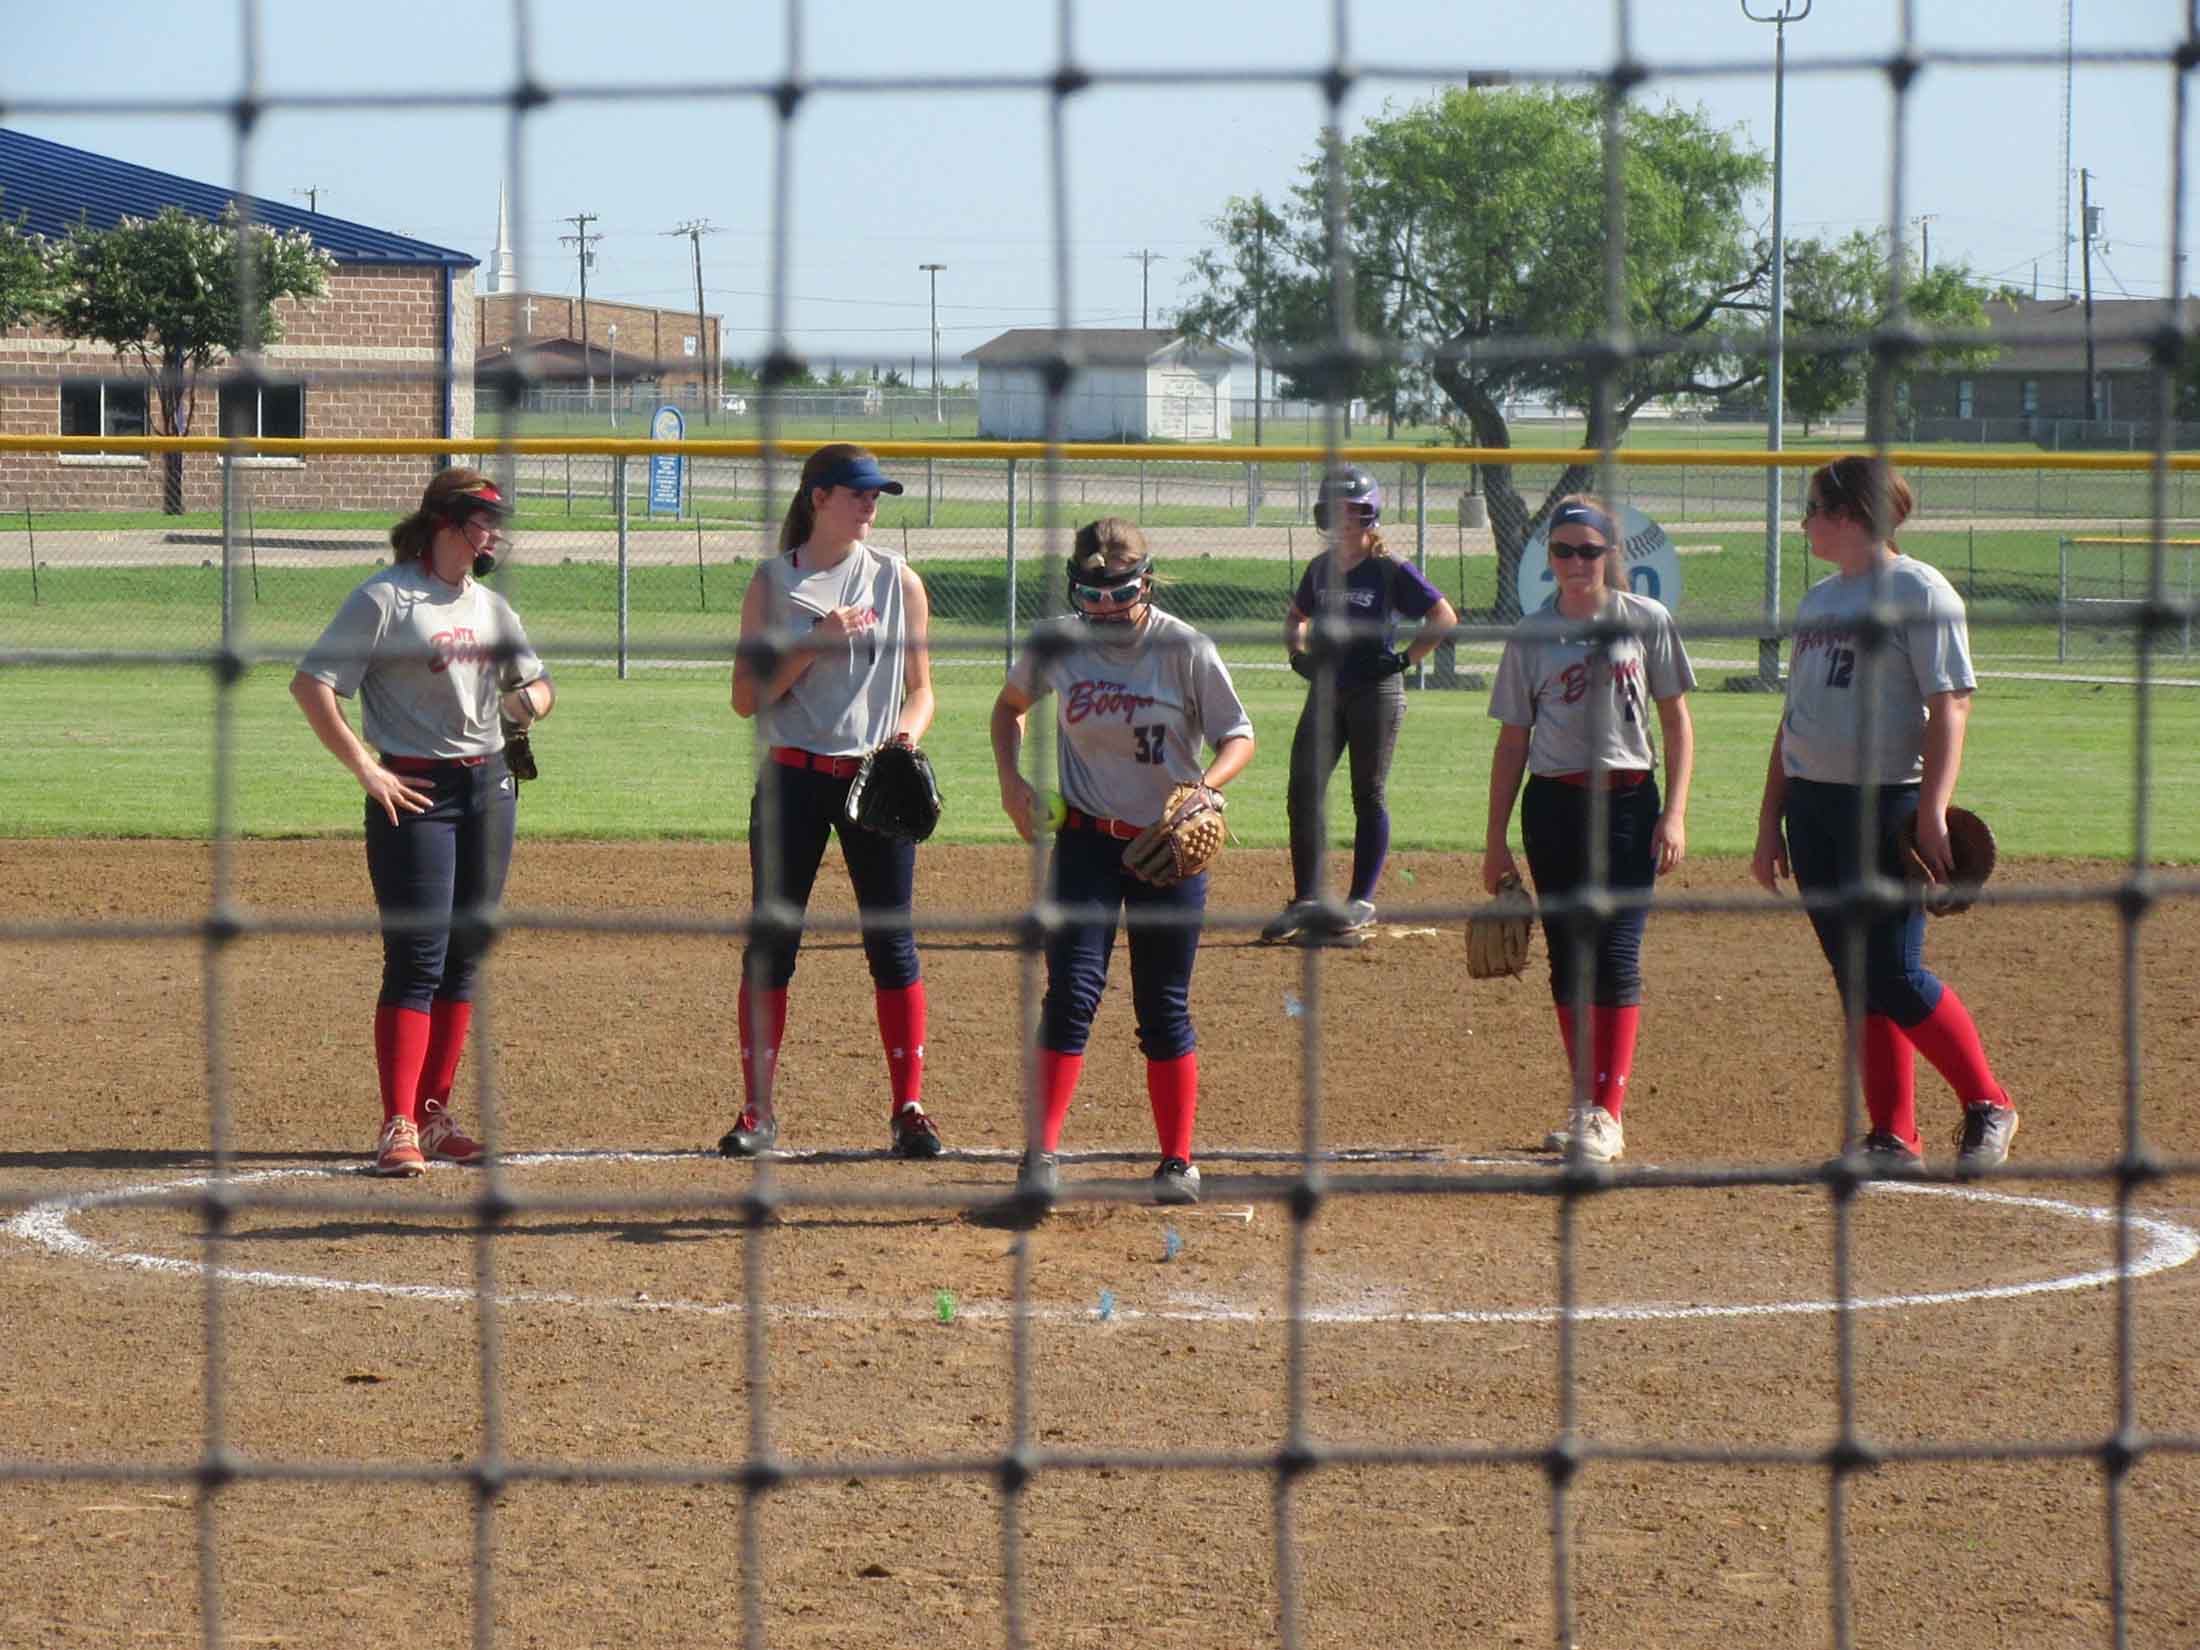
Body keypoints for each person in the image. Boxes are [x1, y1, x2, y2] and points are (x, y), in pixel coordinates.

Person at [1751, 456, 2019, 1172]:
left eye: (1812, 508)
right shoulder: (1819, 601)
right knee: (1855, 974)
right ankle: (1893, 1136)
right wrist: (1769, 818)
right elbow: (1794, 718)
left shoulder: (1918, 590)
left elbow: (1950, 703)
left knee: (1894, 973)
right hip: (1814, 806)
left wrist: (1932, 809)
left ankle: (1989, 1101)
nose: (1804, 522)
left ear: (1848, 516)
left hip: (1887, 803)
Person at [290, 468, 553, 1178]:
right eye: (484, 519)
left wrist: (527, 703)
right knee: (417, 959)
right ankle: (397, 1122)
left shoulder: (493, 608)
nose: (495, 533)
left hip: (490, 789)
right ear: (448, 522)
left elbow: (539, 685)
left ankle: (436, 1116)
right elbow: (311, 684)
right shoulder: (387, 597)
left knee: (464, 954)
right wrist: (366, 770)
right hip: (415, 792)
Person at [990, 517, 1255, 1205]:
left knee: (1163, 1005)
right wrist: (1011, 780)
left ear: (1147, 581)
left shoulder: (1183, 648)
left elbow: (1238, 735)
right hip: (1085, 842)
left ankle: (1177, 1161)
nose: (1105, 609)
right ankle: (1040, 1156)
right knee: (1072, 992)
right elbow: (1009, 708)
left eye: (1119, 593)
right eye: (1092, 595)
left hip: (1168, 848)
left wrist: (1206, 787)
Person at [723, 443, 942, 1160]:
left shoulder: (898, 581)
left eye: (878, 493)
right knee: (773, 944)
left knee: (892, 943)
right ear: (819, 498)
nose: (872, 504)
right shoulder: (773, 582)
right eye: (858, 492)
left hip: (871, 778)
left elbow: (921, 690)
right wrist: (817, 640)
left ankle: (909, 1107)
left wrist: (903, 742)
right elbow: (746, 698)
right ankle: (757, 1113)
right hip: (791, 777)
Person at [1483, 495, 1695, 1164]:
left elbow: (1678, 723)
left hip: (1631, 804)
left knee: (1618, 953)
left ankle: (1610, 1110)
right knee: (1570, 957)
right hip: (1554, 806)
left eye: (1590, 550)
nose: (1577, 562)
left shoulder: (1646, 621)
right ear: (1549, 558)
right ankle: (1585, 1104)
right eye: (1564, 550)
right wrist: (1494, 841)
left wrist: (1676, 811)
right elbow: (1513, 741)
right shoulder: (1533, 634)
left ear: (1612, 556)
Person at [1260, 467, 1458, 947]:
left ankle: (1360, 901)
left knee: (1367, 794)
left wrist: (1404, 660)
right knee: (1302, 790)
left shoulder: (1391, 569)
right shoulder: (1319, 568)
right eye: (1334, 509)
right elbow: (1296, 617)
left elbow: (1443, 616)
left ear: (1370, 513)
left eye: (1352, 509)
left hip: (1376, 691)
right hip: (1326, 690)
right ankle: (1307, 898)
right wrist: (1296, 655)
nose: (1343, 519)